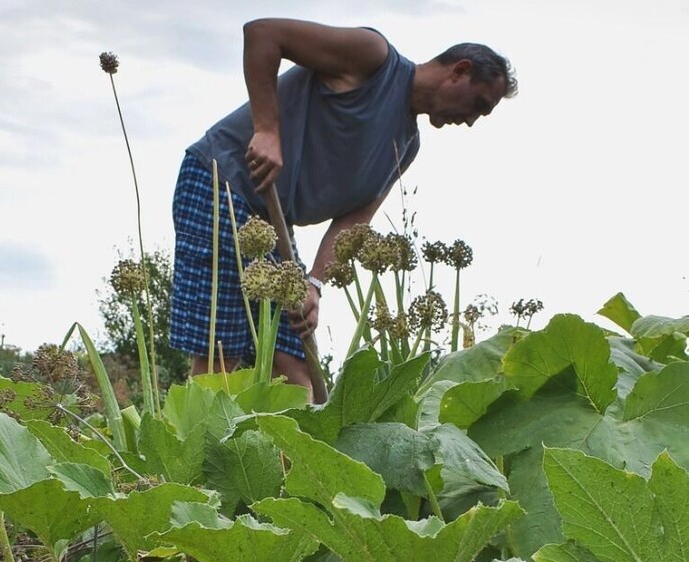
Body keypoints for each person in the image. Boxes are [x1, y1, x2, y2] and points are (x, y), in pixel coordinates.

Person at [169, 18, 517, 401]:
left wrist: (314, 283)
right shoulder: (373, 59)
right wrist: (266, 129)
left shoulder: (406, 144)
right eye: (477, 105)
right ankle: (197, 448)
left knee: (296, 361)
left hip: (273, 219)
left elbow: (353, 223)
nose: (469, 121)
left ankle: (301, 458)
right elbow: (263, 34)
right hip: (221, 178)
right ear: (459, 71)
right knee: (222, 349)